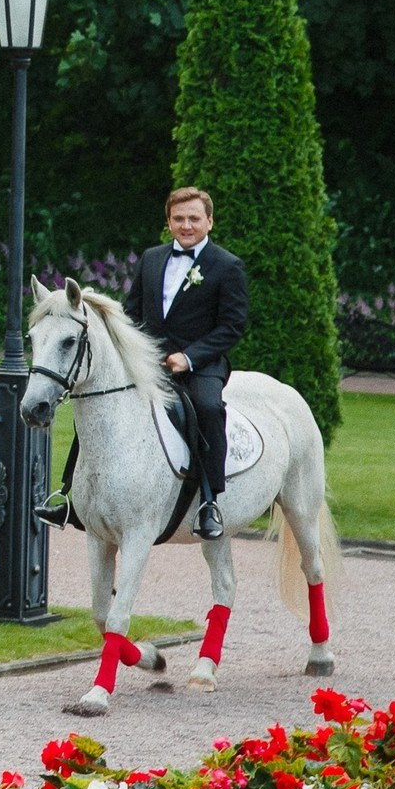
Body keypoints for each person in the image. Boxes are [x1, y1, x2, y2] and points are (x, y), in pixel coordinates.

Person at [36, 186, 249, 539]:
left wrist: (189, 357)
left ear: (209, 221)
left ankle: (211, 500)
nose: (186, 225)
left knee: (208, 407)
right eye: (178, 218)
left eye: (194, 218)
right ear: (168, 222)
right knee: (94, 402)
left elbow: (232, 326)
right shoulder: (151, 258)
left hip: (201, 363)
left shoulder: (227, 266)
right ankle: (69, 494)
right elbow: (132, 312)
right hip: (147, 360)